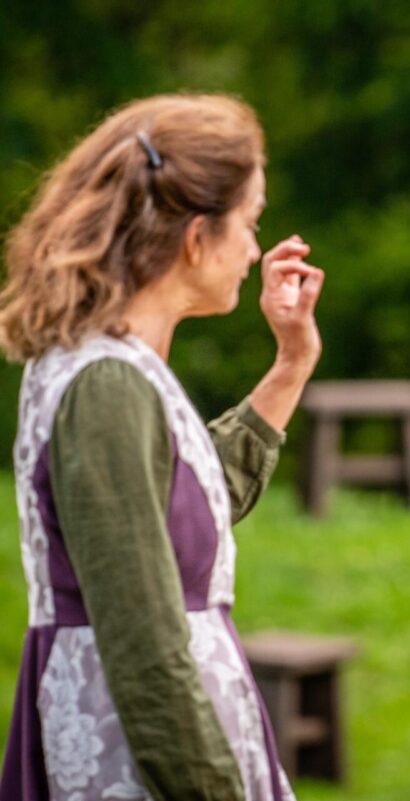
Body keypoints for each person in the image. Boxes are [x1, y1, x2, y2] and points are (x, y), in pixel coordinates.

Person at [0, 94, 323, 801]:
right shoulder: (106, 383)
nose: (253, 249)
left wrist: (291, 364)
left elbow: (185, 508)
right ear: (195, 235)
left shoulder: (115, 366)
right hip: (136, 757)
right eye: (248, 223)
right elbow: (146, 649)